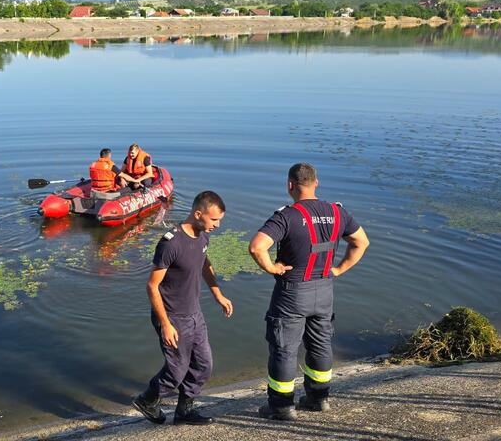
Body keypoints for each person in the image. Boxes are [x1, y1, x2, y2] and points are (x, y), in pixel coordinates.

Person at [248, 163, 369, 420]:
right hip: (325, 290)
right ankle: (319, 399)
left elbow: (257, 247)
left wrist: (273, 267)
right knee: (321, 344)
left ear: (290, 185)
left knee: (284, 349)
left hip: (292, 293)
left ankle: (281, 406)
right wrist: (339, 269)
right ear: (317, 183)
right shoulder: (338, 212)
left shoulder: (286, 216)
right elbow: (362, 242)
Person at [132, 191, 234, 426]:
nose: (217, 225)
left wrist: (218, 293)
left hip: (194, 313)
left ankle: (184, 411)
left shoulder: (202, 237)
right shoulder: (171, 243)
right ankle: (148, 400)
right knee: (176, 372)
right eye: (214, 220)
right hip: (172, 317)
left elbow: (205, 264)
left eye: (219, 220)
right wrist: (166, 325)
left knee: (204, 365)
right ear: (198, 214)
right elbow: (152, 286)